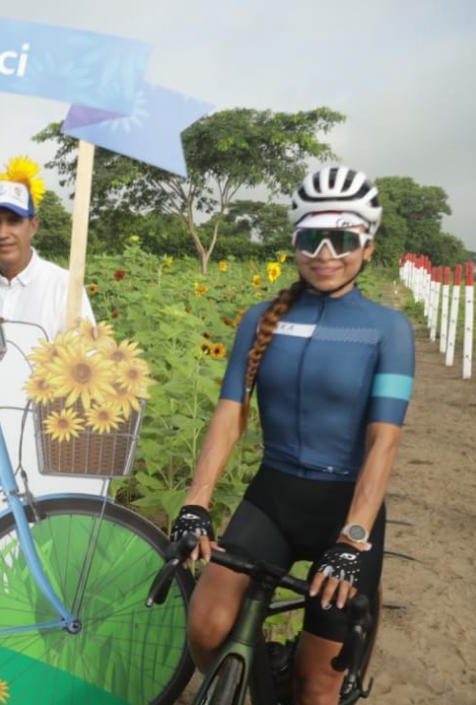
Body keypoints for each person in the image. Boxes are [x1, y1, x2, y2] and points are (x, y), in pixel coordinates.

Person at [171, 167, 413, 705]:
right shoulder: (261, 319)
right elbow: (231, 410)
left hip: (345, 509)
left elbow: (384, 440)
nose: (326, 252)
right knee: (207, 628)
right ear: (296, 244)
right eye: (312, 238)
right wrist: (196, 501)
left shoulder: (387, 329)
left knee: (316, 687)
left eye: (343, 239)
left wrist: (352, 540)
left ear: (367, 248)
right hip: (274, 496)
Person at [0, 180, 94, 437]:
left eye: (13, 221)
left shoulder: (63, 286)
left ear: (33, 225)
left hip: (38, 430)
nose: (2, 233)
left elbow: (85, 361)